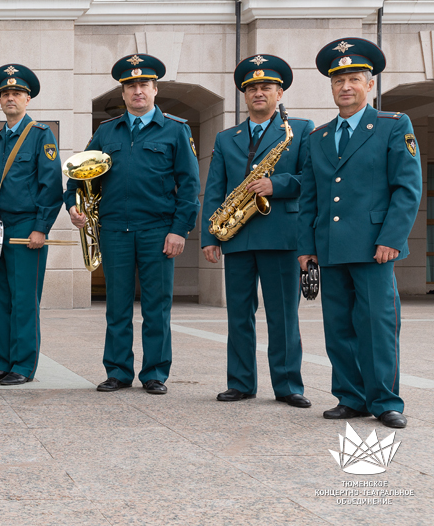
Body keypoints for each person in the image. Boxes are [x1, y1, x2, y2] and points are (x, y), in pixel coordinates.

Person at [298, 38, 420, 430]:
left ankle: (385, 401)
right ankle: (350, 398)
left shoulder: (392, 125)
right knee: (339, 327)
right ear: (331, 87)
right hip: (330, 248)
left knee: (378, 325)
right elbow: (310, 197)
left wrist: (392, 238)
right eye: (338, 81)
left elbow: (407, 187)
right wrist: (307, 247)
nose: (345, 86)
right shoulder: (318, 137)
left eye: (354, 79)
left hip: (374, 248)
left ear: (370, 85)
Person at [65, 54, 199, 395]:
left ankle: (154, 373)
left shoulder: (175, 130)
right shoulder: (106, 132)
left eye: (143, 85)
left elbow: (189, 185)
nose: (137, 91)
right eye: (130, 86)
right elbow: (76, 176)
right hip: (114, 231)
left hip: (159, 231)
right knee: (117, 306)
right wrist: (73, 208)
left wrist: (179, 229)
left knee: (157, 307)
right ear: (123, 94)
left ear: (155, 90)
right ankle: (118, 371)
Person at [200, 55, 313, 408]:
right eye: (252, 88)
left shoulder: (301, 129)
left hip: (281, 237)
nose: (258, 93)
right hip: (236, 238)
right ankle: (241, 383)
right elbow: (214, 188)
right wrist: (209, 236)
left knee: (283, 317)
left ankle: (288, 386)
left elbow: (311, 180)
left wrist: (276, 184)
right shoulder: (225, 137)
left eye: (266, 87)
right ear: (244, 96)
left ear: (280, 93)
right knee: (239, 316)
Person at [0, 64, 63, 385]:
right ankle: (5, 362)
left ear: (28, 99)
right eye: (6, 94)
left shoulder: (41, 135)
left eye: (17, 93)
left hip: (26, 228)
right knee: (2, 299)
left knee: (24, 300)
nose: (11, 98)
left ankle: (23, 366)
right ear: (0, 100)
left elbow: (51, 185)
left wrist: (41, 227)